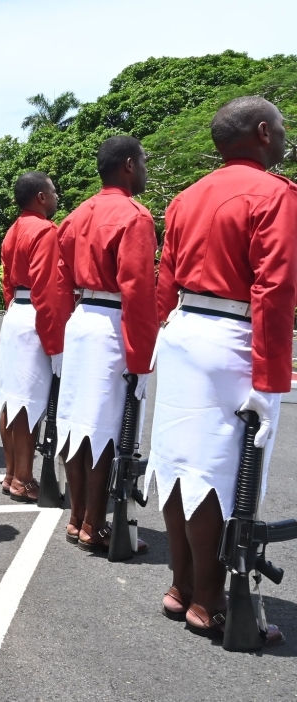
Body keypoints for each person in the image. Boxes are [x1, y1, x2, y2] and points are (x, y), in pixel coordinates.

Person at [145, 96, 295, 641]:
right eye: (281, 127)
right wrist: (271, 378)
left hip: (182, 331)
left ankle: (182, 584)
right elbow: (275, 288)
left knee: (179, 464)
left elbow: (166, 277)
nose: (285, 134)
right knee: (217, 474)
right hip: (231, 338)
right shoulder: (275, 194)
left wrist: (160, 338)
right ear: (262, 132)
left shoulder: (186, 197)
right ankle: (210, 600)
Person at [56, 136, 158, 552]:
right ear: (128, 165)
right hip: (113, 322)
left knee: (76, 424)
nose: (145, 168)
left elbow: (61, 279)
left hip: (81, 319)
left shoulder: (76, 214)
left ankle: (77, 516)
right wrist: (142, 358)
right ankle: (94, 523)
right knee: (103, 430)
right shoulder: (134, 215)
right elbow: (138, 290)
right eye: (143, 161)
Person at [0, 173, 64, 502]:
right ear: (40, 197)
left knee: (11, 399)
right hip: (34, 314)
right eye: (53, 191)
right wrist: (55, 342)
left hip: (16, 313)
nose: (56, 196)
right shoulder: (45, 230)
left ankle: (11, 474)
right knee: (28, 404)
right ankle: (23, 478)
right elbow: (48, 289)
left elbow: (7, 281)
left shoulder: (13, 230)